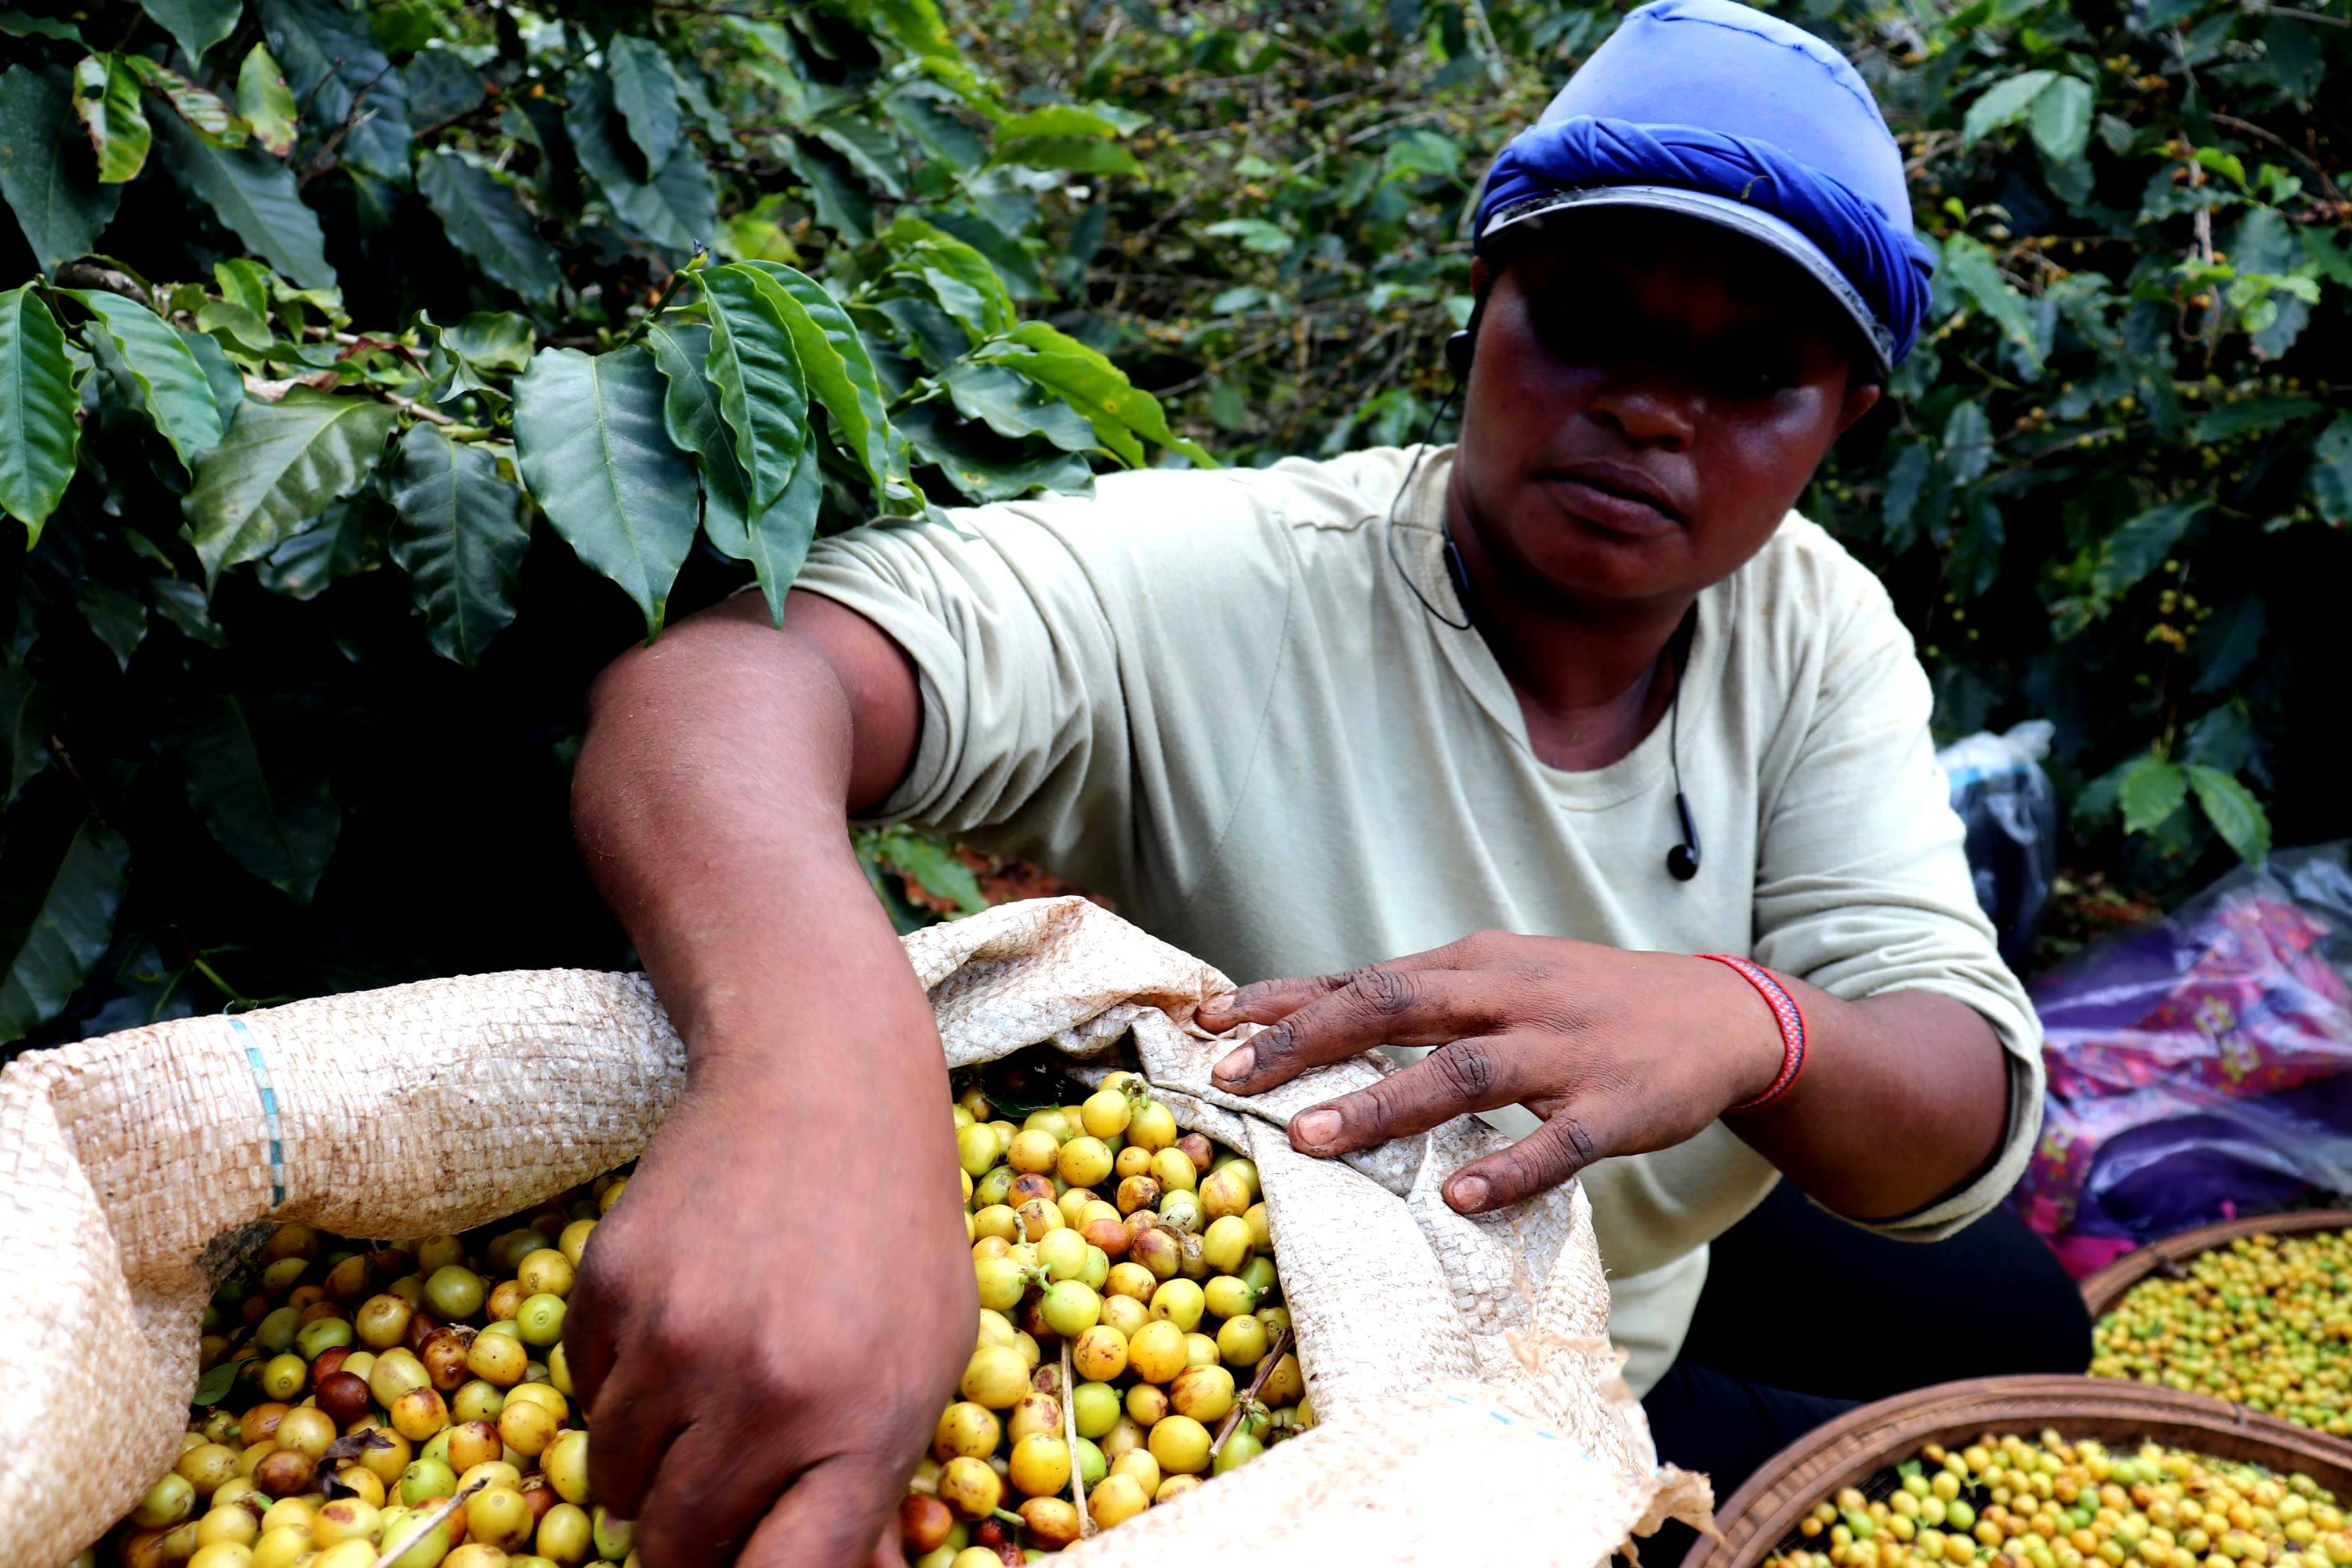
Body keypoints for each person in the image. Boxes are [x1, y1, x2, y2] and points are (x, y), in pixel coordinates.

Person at [562, 2, 2081, 1563]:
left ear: (1848, 418)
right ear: (1483, 303)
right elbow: (731, 685)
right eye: (1583, 315)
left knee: (2027, 1320)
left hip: (1641, 1267)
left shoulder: (1809, 627)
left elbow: (1955, 1086)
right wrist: (814, 1085)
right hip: (1333, 1373)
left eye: (1755, 370)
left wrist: (1750, 1025)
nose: (1645, 406)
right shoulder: (1240, 585)